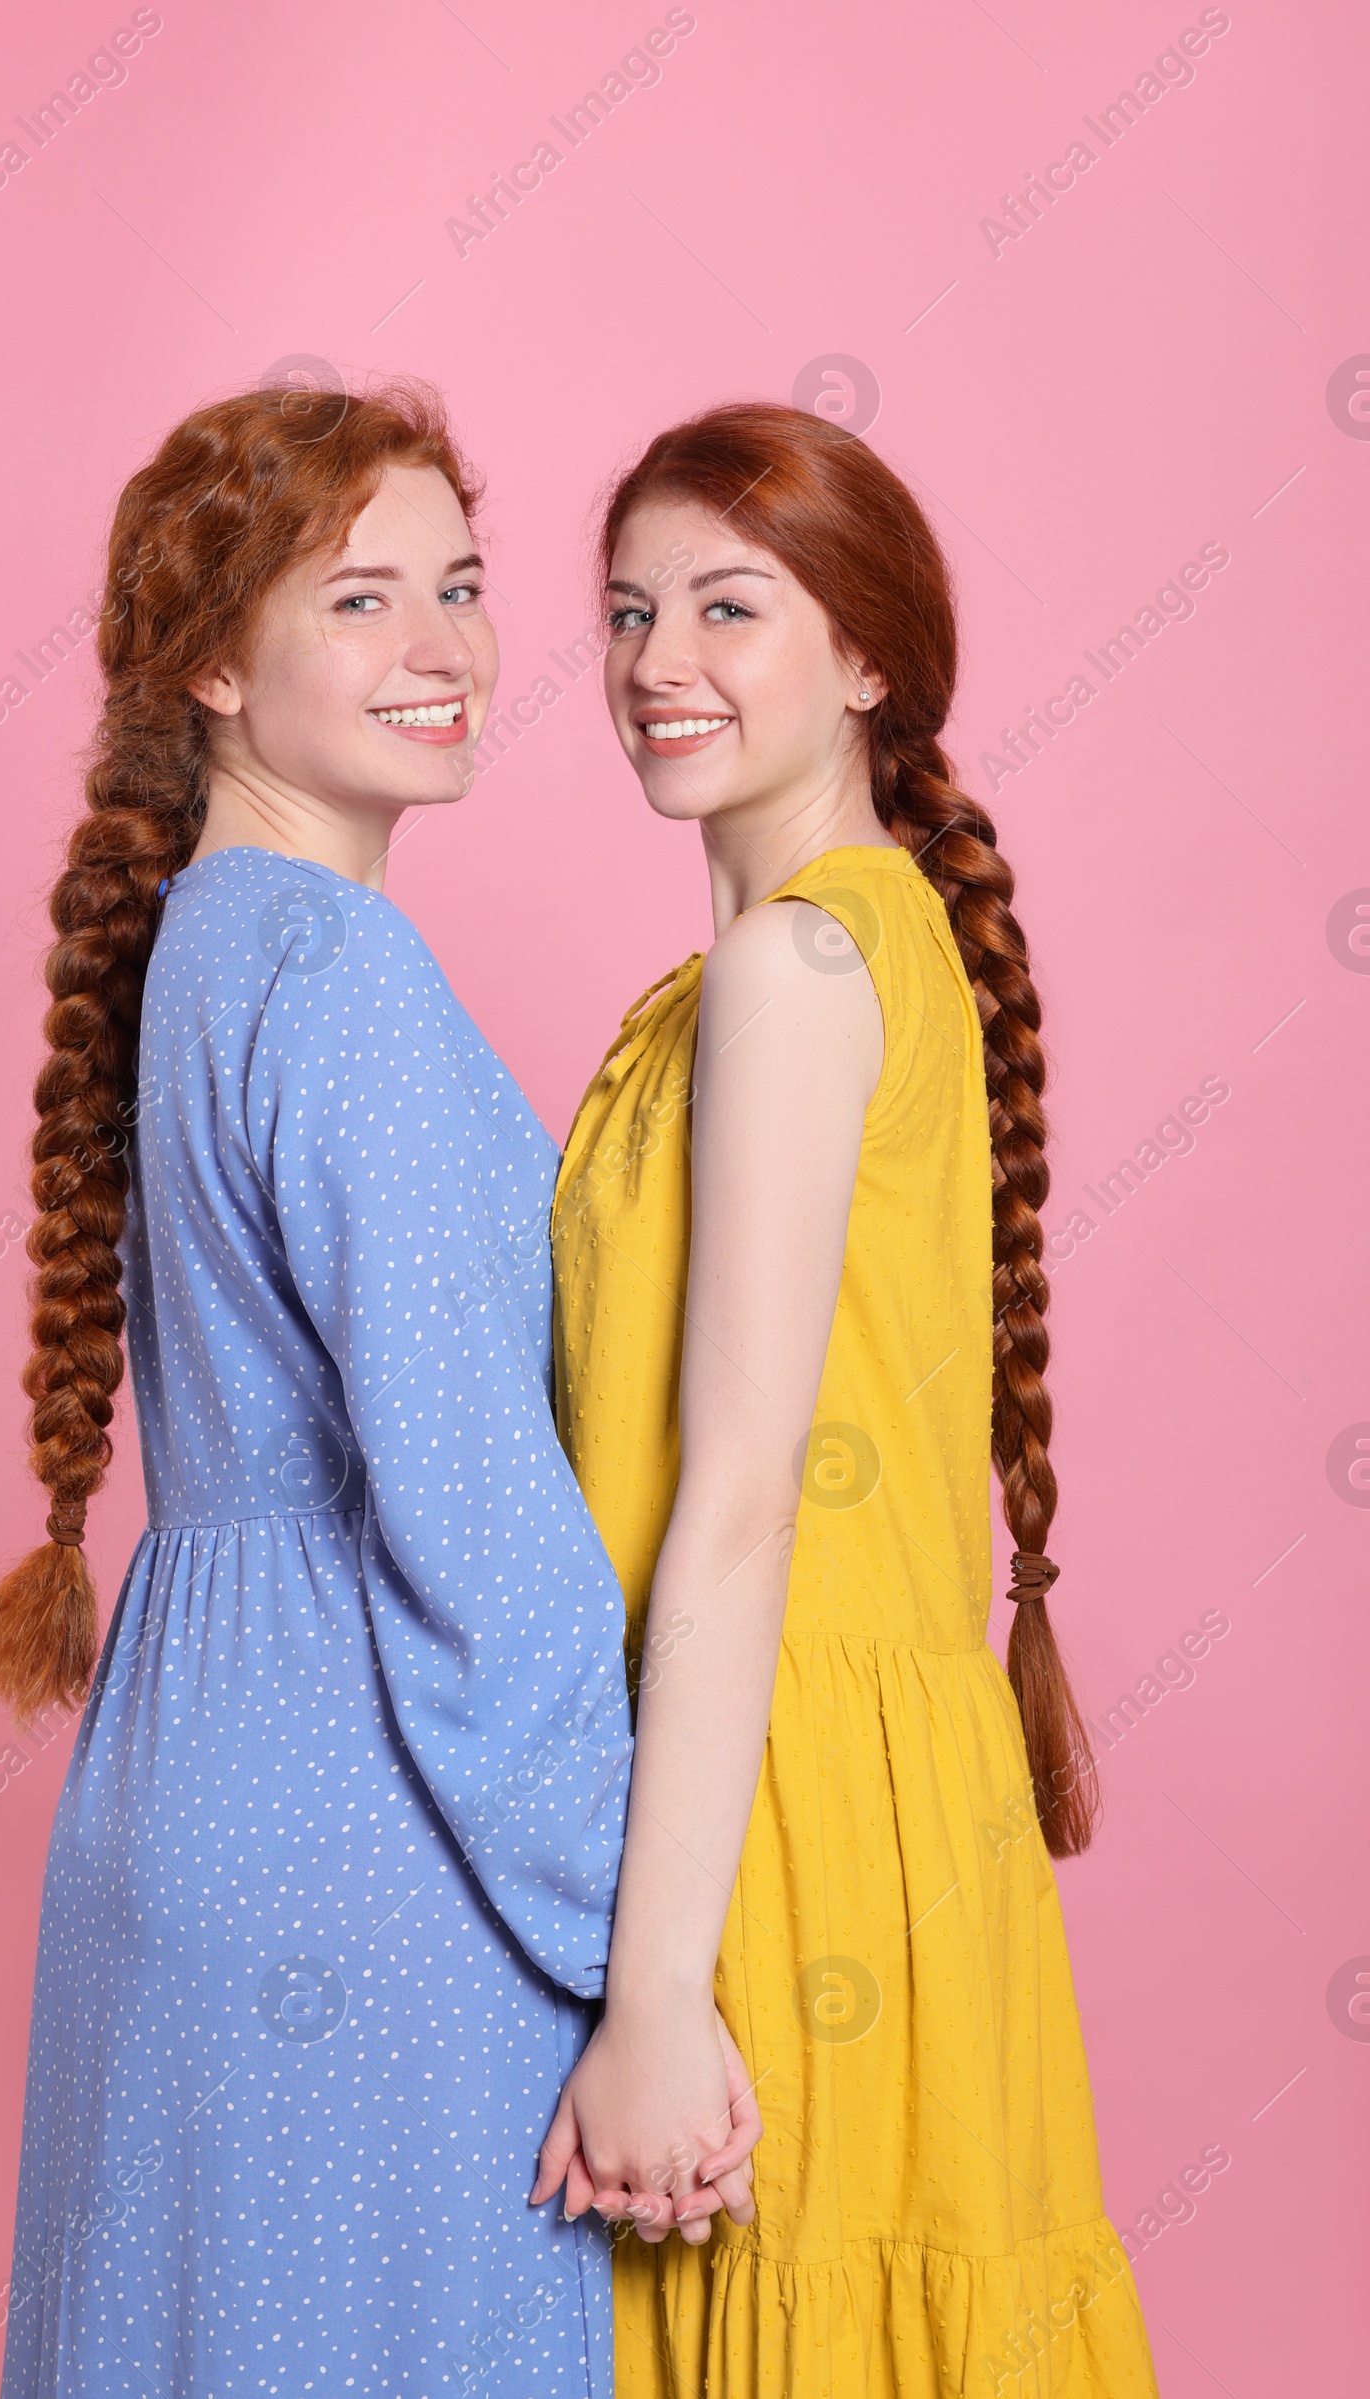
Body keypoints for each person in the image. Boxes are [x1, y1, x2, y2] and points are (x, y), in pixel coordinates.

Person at [0, 382, 746, 2398]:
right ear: (213, 663)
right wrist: (638, 1953)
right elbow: (476, 1529)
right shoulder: (335, 975)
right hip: (369, 1833)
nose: (445, 651)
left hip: (183, 1793)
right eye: (360, 599)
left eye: (463, 589)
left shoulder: (203, 951)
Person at [534, 404, 1160, 2398]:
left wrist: (649, 2001)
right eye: (627, 610)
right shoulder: (823, 959)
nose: (654, 662)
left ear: (865, 659)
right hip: (837, 1795)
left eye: (728, 606)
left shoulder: (800, 973)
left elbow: (731, 1507)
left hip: (781, 1812)